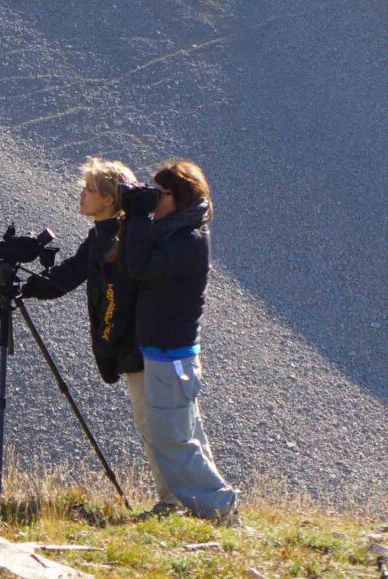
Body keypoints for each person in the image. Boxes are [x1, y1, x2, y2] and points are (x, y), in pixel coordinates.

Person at [20, 158, 180, 511]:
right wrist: (25, 286)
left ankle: (173, 501)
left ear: (109, 199)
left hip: (143, 347)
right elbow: (69, 275)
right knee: (151, 422)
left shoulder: (127, 236)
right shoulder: (101, 235)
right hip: (132, 346)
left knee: (155, 423)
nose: (81, 195)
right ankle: (175, 499)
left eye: (89, 189)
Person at [118, 159, 241, 525]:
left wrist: (138, 216)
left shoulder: (189, 240)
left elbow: (137, 267)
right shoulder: (177, 231)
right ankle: (216, 507)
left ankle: (219, 509)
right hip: (168, 355)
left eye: (161, 194)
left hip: (171, 357)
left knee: (172, 441)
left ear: (180, 197)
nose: (154, 200)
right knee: (185, 435)